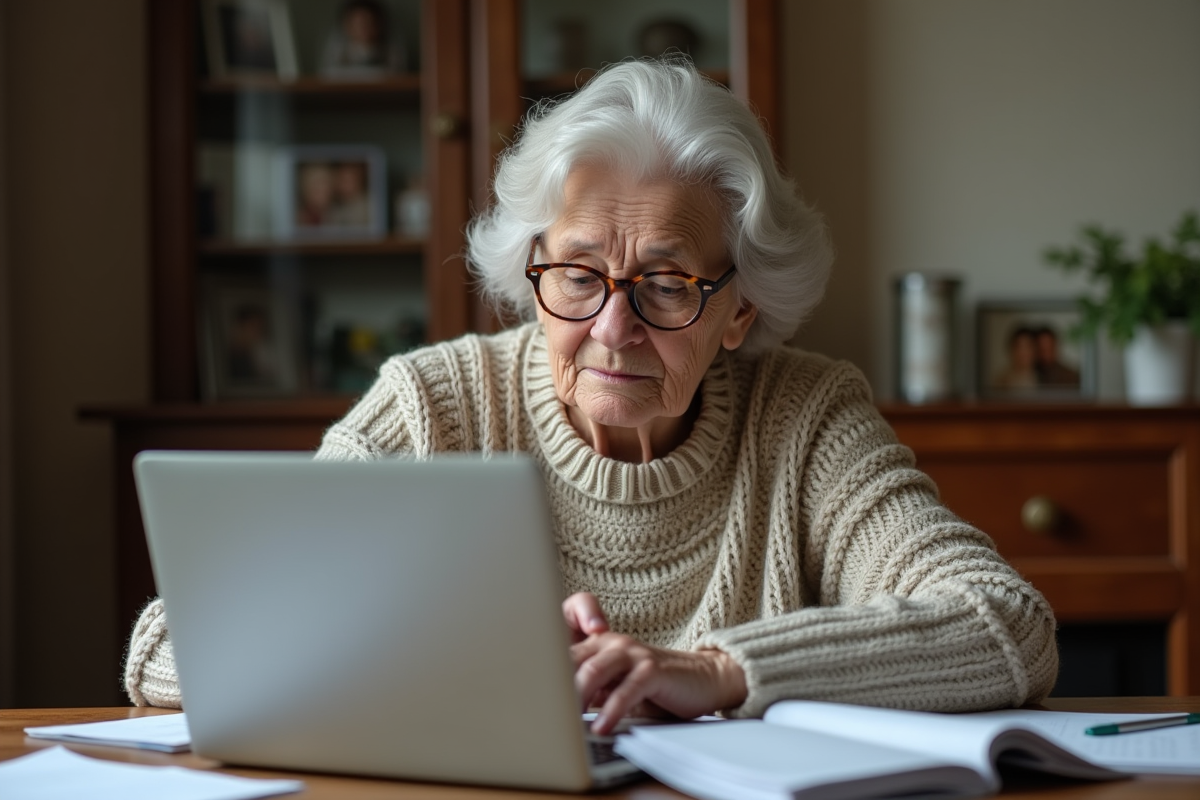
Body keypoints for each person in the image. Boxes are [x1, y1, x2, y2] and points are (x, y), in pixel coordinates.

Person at [124, 58, 1058, 731]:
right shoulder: (436, 407)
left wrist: (721, 670)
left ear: (739, 309)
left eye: (666, 284)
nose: (613, 328)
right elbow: (167, 650)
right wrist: (458, 649)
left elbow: (1006, 626)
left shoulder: (806, 418)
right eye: (577, 276)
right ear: (532, 270)